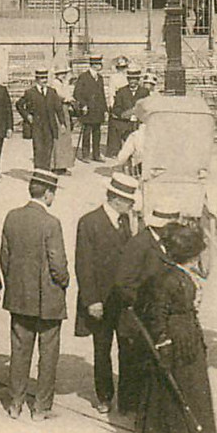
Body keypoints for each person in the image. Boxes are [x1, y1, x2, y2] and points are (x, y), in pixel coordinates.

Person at [135, 223, 217, 433]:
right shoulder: (168, 278)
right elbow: (158, 313)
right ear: (188, 256)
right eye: (195, 256)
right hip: (177, 338)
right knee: (178, 391)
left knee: (190, 389)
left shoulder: (178, 274)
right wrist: (163, 340)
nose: (197, 260)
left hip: (187, 336)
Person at [0, 169, 69, 419]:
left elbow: (4, 258)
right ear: (48, 194)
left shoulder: (12, 217)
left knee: (19, 351)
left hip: (19, 296)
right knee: (48, 354)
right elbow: (57, 263)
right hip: (47, 299)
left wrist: (14, 284)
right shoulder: (51, 223)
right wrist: (65, 282)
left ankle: (15, 404)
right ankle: (41, 408)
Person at [75, 173, 139, 412]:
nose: (132, 204)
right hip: (100, 301)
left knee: (127, 350)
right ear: (115, 199)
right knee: (102, 351)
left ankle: (127, 400)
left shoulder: (125, 222)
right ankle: (104, 397)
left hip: (122, 301)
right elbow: (83, 265)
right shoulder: (89, 222)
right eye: (128, 200)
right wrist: (91, 300)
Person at [108, 205, 174, 417]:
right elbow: (122, 282)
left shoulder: (160, 242)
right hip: (136, 314)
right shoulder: (139, 244)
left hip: (151, 312)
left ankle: (142, 407)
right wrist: (142, 302)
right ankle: (128, 407)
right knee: (131, 360)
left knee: (145, 361)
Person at [17, 69, 64, 171]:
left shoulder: (52, 92)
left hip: (50, 126)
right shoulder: (30, 92)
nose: (44, 80)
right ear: (37, 79)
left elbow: (59, 108)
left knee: (48, 150)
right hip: (37, 126)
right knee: (38, 150)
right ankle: (38, 172)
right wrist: (27, 115)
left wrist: (62, 123)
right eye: (42, 78)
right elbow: (19, 105)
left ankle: (46, 172)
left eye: (45, 78)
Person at [74, 57, 109, 162]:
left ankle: (96, 154)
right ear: (93, 65)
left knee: (97, 132)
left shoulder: (100, 78)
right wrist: (83, 105)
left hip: (98, 109)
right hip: (88, 109)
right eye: (98, 64)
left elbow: (102, 94)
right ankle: (85, 155)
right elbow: (77, 93)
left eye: (100, 64)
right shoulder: (83, 77)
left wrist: (105, 109)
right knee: (87, 132)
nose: (100, 66)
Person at [106, 65, 140, 157]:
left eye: (135, 79)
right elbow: (117, 108)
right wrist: (125, 115)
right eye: (130, 79)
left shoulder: (144, 92)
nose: (132, 82)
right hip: (125, 120)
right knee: (115, 124)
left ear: (138, 80)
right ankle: (115, 150)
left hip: (140, 120)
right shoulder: (122, 91)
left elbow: (147, 106)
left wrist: (138, 115)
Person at [51, 68, 77, 174]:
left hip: (65, 109)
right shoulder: (55, 84)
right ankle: (57, 165)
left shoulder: (64, 83)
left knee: (66, 138)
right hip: (58, 110)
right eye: (60, 73)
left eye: (64, 73)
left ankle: (64, 165)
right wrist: (67, 99)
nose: (63, 75)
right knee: (59, 137)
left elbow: (68, 95)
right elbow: (59, 96)